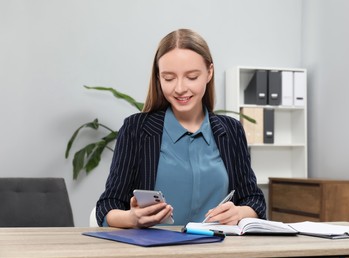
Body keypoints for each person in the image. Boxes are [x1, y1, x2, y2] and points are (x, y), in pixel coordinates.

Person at [96, 28, 266, 228]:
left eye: (191, 77)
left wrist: (239, 212)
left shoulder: (232, 131)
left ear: (209, 72)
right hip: (155, 253)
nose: (179, 88)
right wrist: (132, 218)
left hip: (218, 250)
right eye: (168, 78)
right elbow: (107, 205)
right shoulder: (136, 129)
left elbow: (254, 200)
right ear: (158, 78)